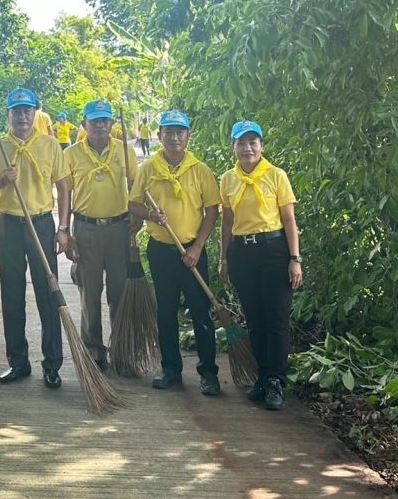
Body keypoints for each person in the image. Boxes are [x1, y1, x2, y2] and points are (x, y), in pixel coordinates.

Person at [0, 87, 71, 389]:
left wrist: (63, 228)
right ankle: (18, 362)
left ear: (34, 113)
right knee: (12, 294)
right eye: (16, 111)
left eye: (26, 110)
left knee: (48, 293)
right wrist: (1, 180)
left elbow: (64, 187)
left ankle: (52, 364)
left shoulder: (49, 145)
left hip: (41, 224)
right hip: (9, 226)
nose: (22, 116)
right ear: (8, 114)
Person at [128, 110, 222, 395]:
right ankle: (171, 369)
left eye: (179, 132)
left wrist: (198, 247)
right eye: (168, 132)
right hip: (161, 251)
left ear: (187, 136)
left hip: (192, 252)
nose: (174, 137)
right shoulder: (149, 168)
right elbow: (133, 204)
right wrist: (151, 216)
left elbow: (212, 211)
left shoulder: (200, 170)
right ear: (159, 136)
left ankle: (209, 372)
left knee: (201, 312)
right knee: (166, 312)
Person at [220, 120, 302, 411]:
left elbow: (289, 220)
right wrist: (224, 258)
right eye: (241, 143)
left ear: (261, 146)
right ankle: (263, 377)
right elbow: (227, 222)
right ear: (233, 147)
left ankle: (276, 380)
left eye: (253, 142)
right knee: (254, 320)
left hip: (274, 250)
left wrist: (294, 259)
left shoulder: (276, 175)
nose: (247, 148)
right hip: (242, 253)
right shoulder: (228, 179)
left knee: (276, 320)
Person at [63, 100, 139, 369]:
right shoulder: (71, 154)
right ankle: (94, 351)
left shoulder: (125, 150)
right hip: (86, 230)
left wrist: (138, 217)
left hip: (119, 228)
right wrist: (65, 232)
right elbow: (65, 194)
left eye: (104, 121)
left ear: (112, 124)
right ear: (84, 124)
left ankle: (122, 349)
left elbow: (135, 186)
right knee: (89, 293)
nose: (99, 126)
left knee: (119, 292)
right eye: (94, 121)